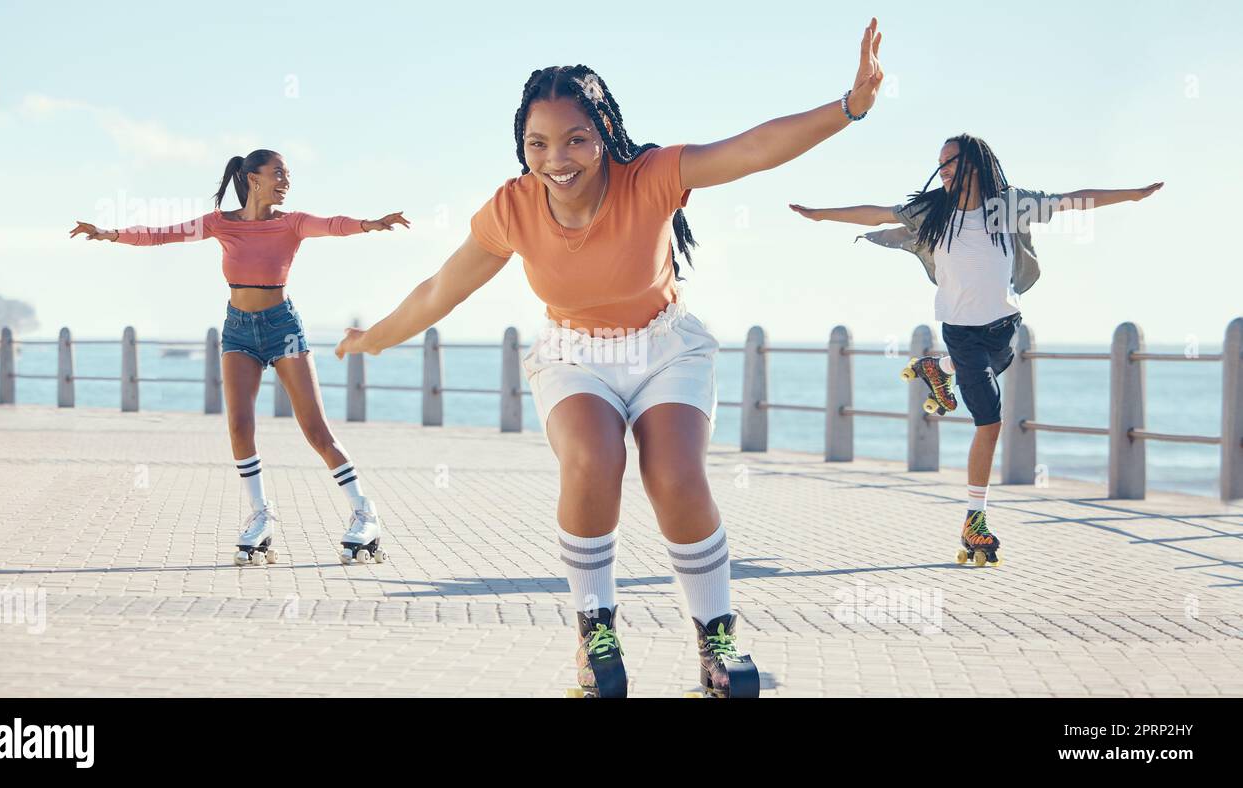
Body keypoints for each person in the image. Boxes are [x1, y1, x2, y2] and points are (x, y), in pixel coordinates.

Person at [337, 19, 886, 697]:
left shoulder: (650, 177)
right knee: (595, 459)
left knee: (677, 475)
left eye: (574, 138)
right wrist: (377, 339)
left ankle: (716, 642)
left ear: (603, 133)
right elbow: (440, 289)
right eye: (538, 143)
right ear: (522, 146)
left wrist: (849, 107)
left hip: (664, 348)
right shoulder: (513, 209)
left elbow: (752, 150)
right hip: (576, 357)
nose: (556, 158)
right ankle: (594, 633)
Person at [790, 134, 1162, 566]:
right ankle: (975, 518)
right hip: (961, 332)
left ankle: (936, 368)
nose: (943, 169)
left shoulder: (1008, 205)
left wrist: (1132, 196)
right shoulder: (933, 209)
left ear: (974, 164)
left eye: (950, 162)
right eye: (940, 163)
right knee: (990, 420)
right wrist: (821, 215)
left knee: (996, 371)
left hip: (1005, 328)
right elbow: (876, 212)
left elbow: (1071, 201)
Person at [70, 149, 410, 566]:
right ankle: (261, 515)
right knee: (239, 425)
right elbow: (162, 234)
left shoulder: (292, 223)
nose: (286, 181)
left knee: (315, 429)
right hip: (238, 330)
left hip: (282, 328)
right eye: (278, 174)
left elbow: (333, 225)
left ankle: (364, 513)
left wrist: (369, 225)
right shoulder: (220, 223)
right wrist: (110, 234)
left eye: (288, 174)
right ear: (253, 178)